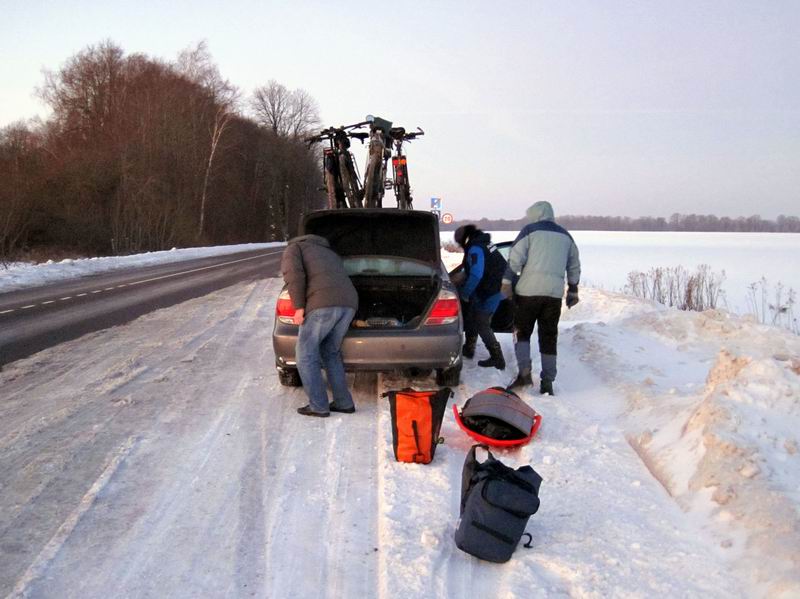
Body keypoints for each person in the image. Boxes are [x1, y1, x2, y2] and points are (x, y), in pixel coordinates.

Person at [503, 201, 581, 395]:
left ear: (535, 215)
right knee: (548, 336)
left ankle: (524, 374)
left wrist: (506, 281)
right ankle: (547, 381)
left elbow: (515, 258)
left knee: (522, 333)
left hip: (528, 294)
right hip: (553, 295)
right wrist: (573, 289)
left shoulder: (529, 231)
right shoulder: (566, 236)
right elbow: (574, 265)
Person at [281, 233, 359, 417]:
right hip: (349, 304)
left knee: (305, 354)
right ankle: (343, 402)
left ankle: (318, 405)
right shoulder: (329, 253)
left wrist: (299, 306)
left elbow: (294, 276)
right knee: (330, 352)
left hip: (322, 304)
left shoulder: (294, 249)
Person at [454, 224, 508, 370]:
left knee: (482, 322)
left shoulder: (475, 248)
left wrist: (465, 292)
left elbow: (476, 274)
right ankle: (469, 348)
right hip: (494, 287)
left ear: (464, 240)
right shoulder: (485, 244)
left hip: (489, 291)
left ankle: (498, 358)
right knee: (473, 314)